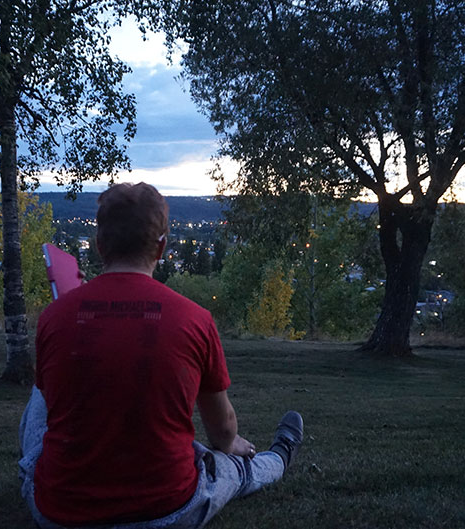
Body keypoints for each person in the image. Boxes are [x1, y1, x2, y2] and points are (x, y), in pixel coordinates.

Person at [19, 182, 304, 528]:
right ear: (162, 247)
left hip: (59, 514)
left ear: (99, 245)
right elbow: (221, 432)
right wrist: (231, 443)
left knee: (40, 389)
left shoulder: (54, 317)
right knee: (231, 467)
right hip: (167, 512)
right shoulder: (195, 319)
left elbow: (53, 407)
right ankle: (279, 457)